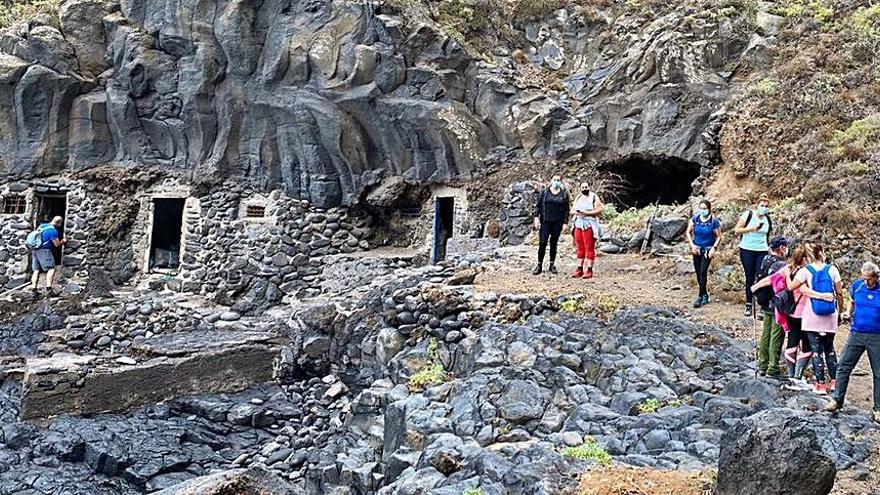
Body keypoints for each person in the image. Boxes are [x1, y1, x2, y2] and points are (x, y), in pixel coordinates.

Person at [825, 262, 880, 422]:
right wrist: (847, 312)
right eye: (863, 278)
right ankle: (837, 400)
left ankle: (878, 408)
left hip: (876, 336)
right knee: (843, 366)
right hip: (856, 333)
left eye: (869, 279)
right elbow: (852, 301)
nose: (866, 282)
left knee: (878, 372)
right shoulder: (857, 286)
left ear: (876, 278)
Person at [789, 243, 844, 395]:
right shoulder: (832, 269)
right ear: (822, 252)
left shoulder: (806, 271)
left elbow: (791, 287)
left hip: (812, 315)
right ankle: (834, 382)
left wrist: (789, 274)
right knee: (830, 349)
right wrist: (840, 311)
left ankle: (820, 385)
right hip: (830, 314)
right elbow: (839, 293)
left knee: (816, 351)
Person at [749, 236, 789, 377]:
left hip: (765, 302)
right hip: (777, 304)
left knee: (765, 334)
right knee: (776, 335)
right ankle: (773, 367)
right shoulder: (781, 265)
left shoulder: (765, 260)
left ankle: (762, 364)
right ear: (781, 248)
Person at [734, 195, 772, 316]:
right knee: (749, 277)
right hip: (747, 249)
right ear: (757, 206)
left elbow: (767, 235)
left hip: (762, 249)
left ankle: (762, 304)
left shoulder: (767, 220)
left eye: (766, 206)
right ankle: (749, 303)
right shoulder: (748, 215)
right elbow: (737, 230)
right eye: (762, 206)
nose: (764, 208)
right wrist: (751, 228)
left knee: (761, 277)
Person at [686, 199, 722, 307]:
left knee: (702, 272)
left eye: (704, 209)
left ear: (709, 209)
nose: (702, 210)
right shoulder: (695, 219)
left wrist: (713, 248)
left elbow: (719, 236)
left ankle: (700, 296)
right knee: (698, 272)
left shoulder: (713, 222)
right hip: (696, 249)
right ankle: (705, 294)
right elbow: (688, 231)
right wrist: (692, 245)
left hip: (707, 250)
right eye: (701, 208)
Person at [533, 174, 569, 275]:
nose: (556, 182)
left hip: (557, 222)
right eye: (554, 180)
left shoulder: (564, 194)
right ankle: (539, 264)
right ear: (551, 180)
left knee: (554, 243)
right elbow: (538, 206)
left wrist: (565, 222)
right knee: (542, 243)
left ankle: (552, 264)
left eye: (558, 180)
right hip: (545, 221)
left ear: (561, 182)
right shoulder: (544, 192)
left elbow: (566, 209)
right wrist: (536, 218)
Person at [570, 182, 604, 279]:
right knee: (579, 247)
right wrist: (576, 212)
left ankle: (589, 269)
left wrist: (587, 213)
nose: (585, 188)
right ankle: (579, 268)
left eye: (586, 187)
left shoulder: (594, 197)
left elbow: (599, 209)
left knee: (589, 247)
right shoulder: (578, 197)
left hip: (589, 224)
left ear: (589, 187)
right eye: (583, 187)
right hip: (578, 223)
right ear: (580, 188)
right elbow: (572, 209)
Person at [30, 216, 66, 296]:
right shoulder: (53, 231)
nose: (60, 225)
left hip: (35, 249)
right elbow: (56, 244)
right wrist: (63, 241)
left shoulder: (42, 226)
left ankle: (34, 290)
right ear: (58, 222)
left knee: (36, 270)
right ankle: (49, 289)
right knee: (51, 268)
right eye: (60, 223)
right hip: (45, 251)